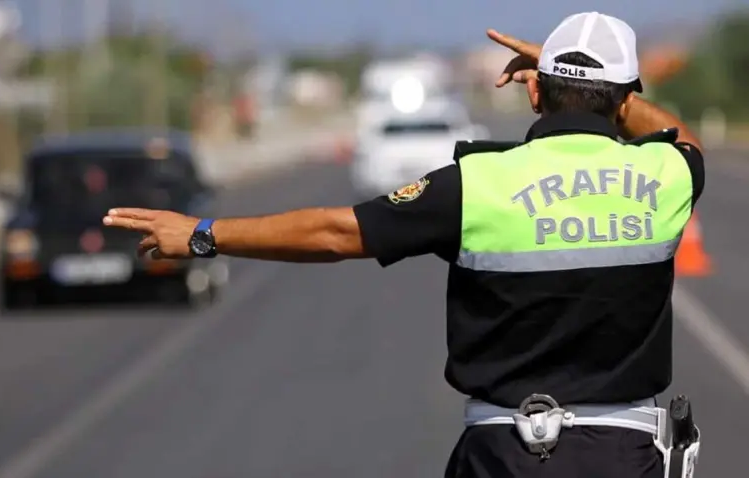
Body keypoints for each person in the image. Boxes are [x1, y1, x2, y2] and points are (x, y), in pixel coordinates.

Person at [104, 12, 703, 478]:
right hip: (625, 457)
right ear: (626, 101)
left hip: (504, 456)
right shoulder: (668, 175)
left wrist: (203, 234)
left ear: (534, 93)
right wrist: (587, 82)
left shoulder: (475, 184)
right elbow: (680, 137)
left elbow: (335, 232)